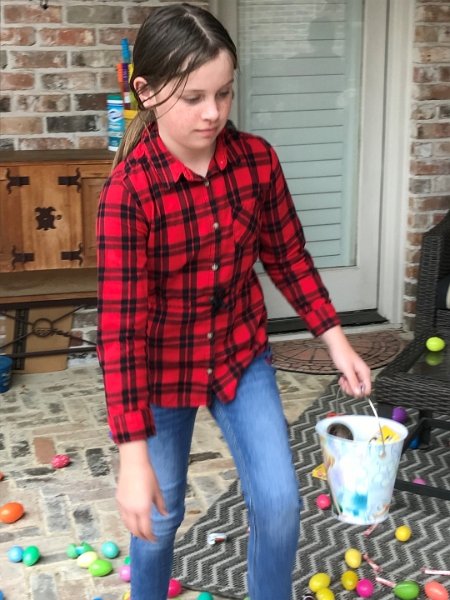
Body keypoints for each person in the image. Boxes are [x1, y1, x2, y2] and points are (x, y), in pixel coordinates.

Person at [96, 4, 371, 600]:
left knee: (278, 503)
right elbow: (120, 332)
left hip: (240, 357)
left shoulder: (257, 160)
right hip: (161, 372)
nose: (213, 112)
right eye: (193, 97)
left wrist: (336, 341)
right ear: (146, 92)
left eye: (223, 93)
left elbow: (289, 257)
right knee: (158, 519)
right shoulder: (129, 193)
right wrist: (132, 457)